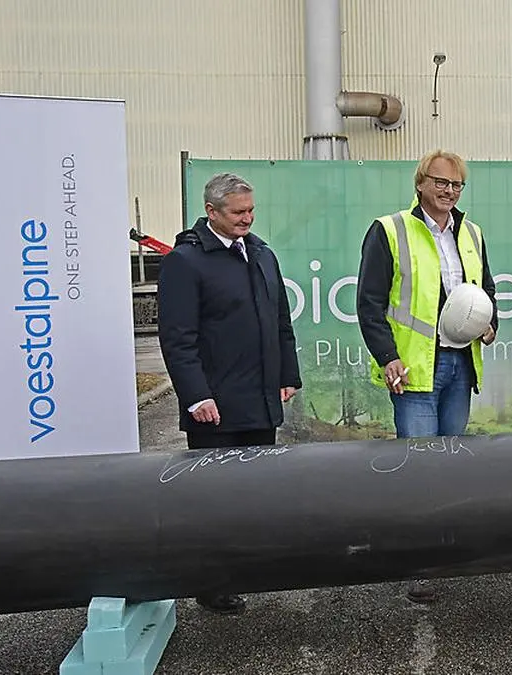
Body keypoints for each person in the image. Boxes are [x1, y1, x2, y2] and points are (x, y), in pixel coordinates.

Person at [355, 149, 498, 603]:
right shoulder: (389, 230)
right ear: (420, 183)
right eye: (440, 182)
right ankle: (418, 564)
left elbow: (486, 289)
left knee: (450, 464)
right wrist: (388, 356)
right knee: (419, 469)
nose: (448, 191)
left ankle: (446, 550)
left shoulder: (471, 232)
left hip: (461, 364)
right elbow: (370, 303)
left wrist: (490, 324)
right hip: (416, 368)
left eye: (456, 185)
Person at [157, 172, 302, 615]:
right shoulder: (185, 262)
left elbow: (281, 322)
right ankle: (212, 582)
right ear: (211, 211)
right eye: (238, 212)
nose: (247, 218)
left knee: (254, 493)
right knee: (214, 501)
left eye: (251, 210)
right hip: (215, 409)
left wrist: (287, 374)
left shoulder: (261, 254)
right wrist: (196, 396)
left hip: (260, 401)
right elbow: (177, 338)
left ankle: (248, 569)